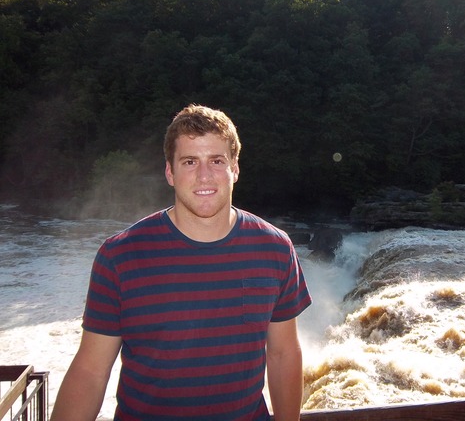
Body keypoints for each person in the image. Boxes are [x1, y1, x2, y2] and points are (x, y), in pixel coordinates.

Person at [51, 105, 312, 421]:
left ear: (235, 168)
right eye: (190, 162)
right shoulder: (120, 256)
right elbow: (91, 370)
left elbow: (283, 354)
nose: (204, 175)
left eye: (216, 161)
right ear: (170, 172)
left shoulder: (275, 249)